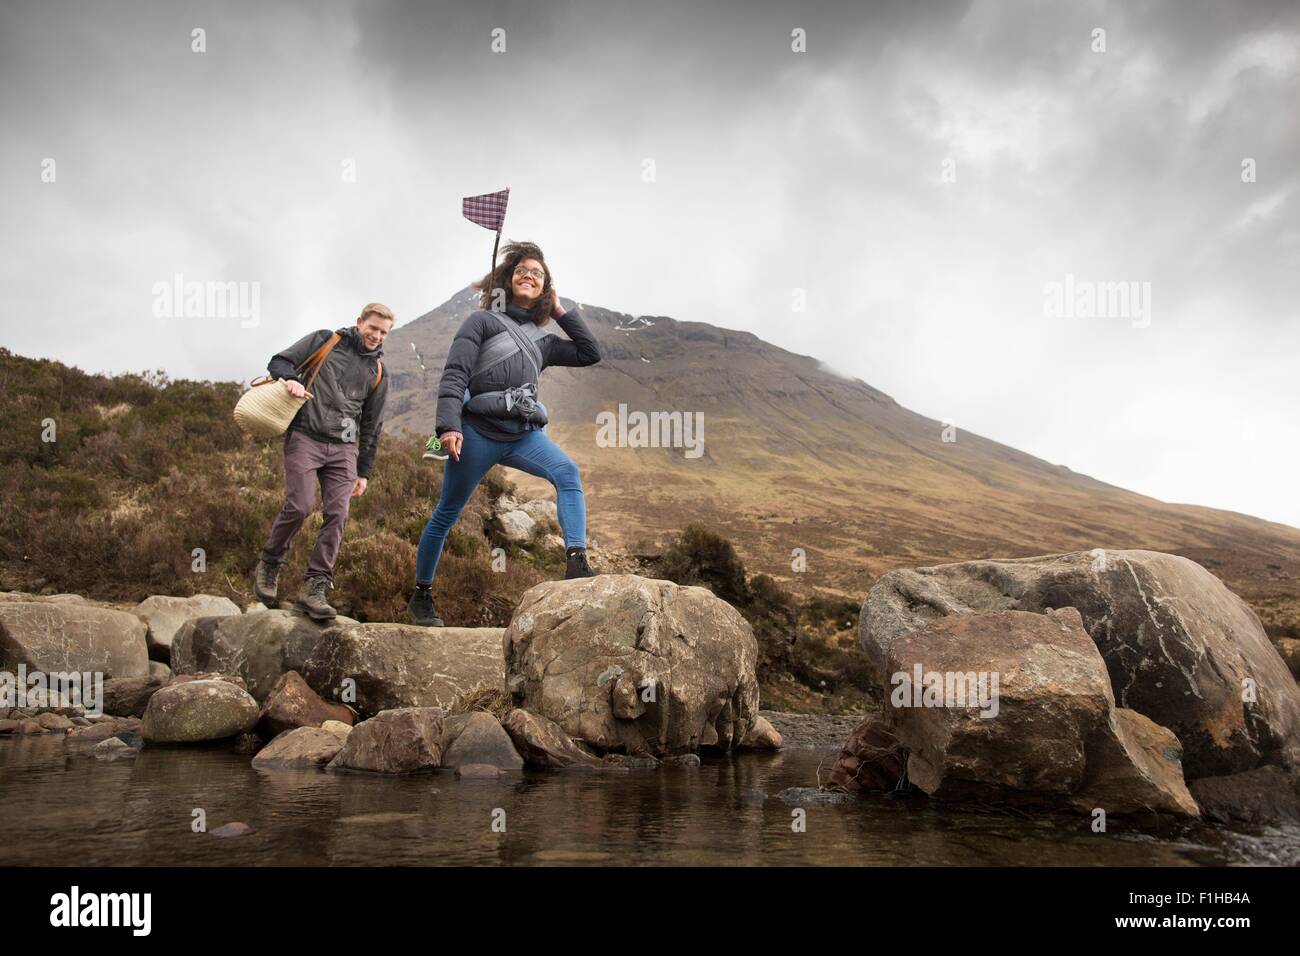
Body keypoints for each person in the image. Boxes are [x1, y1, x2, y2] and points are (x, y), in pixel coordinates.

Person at [408, 241, 600, 627]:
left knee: (567, 473)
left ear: (546, 286)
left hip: (523, 435)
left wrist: (560, 308)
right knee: (447, 513)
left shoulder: (543, 340)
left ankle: (576, 561)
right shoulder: (479, 322)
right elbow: (455, 375)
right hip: (477, 433)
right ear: (507, 279)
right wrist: (448, 427)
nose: (529, 276)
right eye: (522, 271)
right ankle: (421, 595)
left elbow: (589, 352)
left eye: (538, 274)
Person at [251, 303, 393, 620]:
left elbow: (373, 426)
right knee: (301, 505)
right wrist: (291, 379)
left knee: (337, 514)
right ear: (360, 323)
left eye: (383, 332)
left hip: (344, 450)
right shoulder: (324, 341)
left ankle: (315, 586)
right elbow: (279, 361)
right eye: (373, 328)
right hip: (305, 435)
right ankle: (270, 562)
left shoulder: (379, 373)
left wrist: (364, 472)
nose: (377, 336)